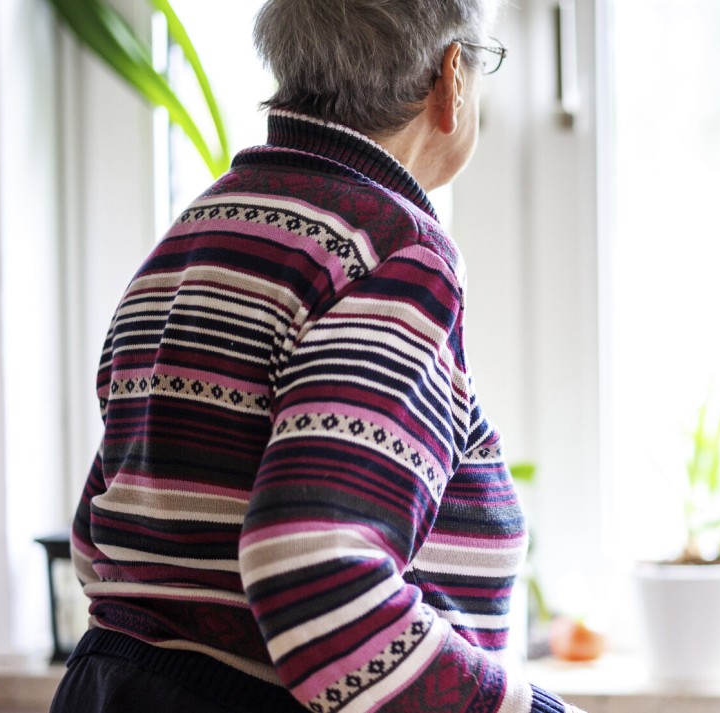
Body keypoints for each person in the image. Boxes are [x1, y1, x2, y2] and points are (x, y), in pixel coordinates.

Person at [49, 1, 576, 711]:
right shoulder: (392, 248)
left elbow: (103, 533)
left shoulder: (196, 231)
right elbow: (316, 568)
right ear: (451, 76)